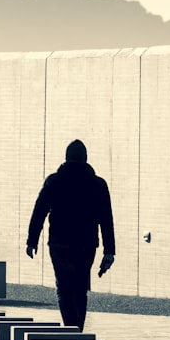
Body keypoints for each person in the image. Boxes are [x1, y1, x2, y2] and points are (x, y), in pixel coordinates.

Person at [26, 139, 116, 330]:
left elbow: (39, 211)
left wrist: (32, 240)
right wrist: (109, 251)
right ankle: (77, 329)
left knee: (64, 287)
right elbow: (106, 219)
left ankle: (70, 328)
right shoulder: (98, 185)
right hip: (86, 245)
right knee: (80, 287)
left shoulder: (55, 181)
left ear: (66, 158)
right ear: (85, 159)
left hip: (60, 244)